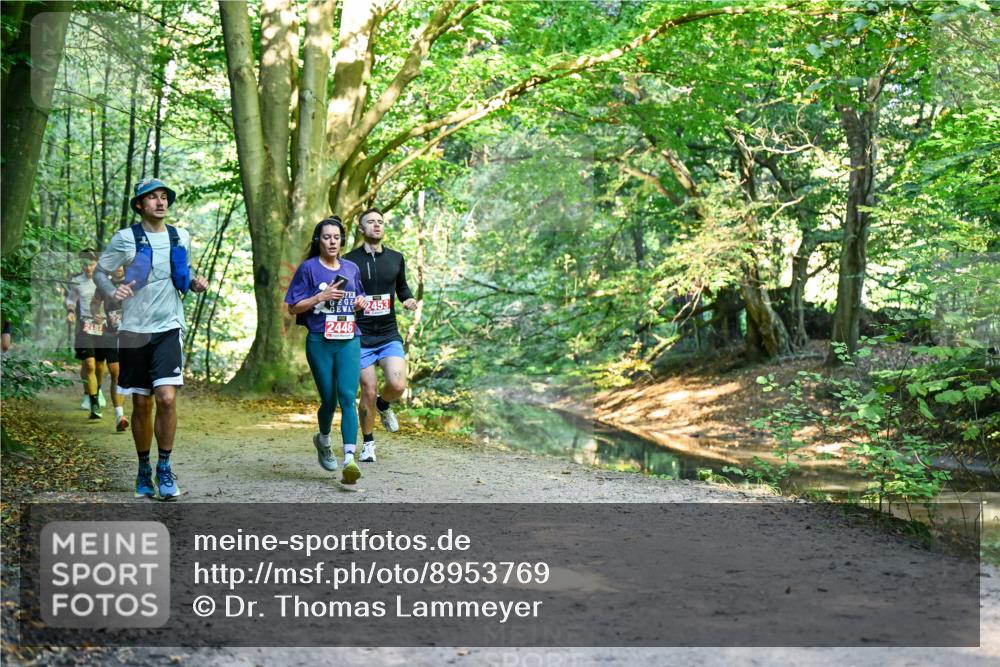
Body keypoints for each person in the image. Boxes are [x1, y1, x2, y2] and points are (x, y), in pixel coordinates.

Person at [93, 178, 208, 500]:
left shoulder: (179, 236)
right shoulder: (125, 239)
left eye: (164, 197)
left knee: (167, 398)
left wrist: (195, 283)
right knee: (142, 402)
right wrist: (111, 291)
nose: (160, 202)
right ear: (140, 205)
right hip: (134, 330)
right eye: (153, 198)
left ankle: (165, 467)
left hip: (169, 326)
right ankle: (144, 468)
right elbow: (100, 272)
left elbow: (182, 272)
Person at [285, 216, 369, 485]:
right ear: (318, 240)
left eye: (336, 237)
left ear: (342, 240)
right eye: (326, 237)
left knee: (348, 397)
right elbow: (293, 307)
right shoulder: (308, 269)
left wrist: (360, 303)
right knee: (329, 401)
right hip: (320, 341)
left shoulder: (352, 268)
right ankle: (323, 440)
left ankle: (349, 460)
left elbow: (360, 297)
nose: (332, 242)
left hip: (348, 339)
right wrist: (320, 297)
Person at [344, 207, 417, 463]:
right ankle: (368, 444)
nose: (377, 225)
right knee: (368, 390)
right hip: (360, 336)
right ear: (361, 228)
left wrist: (408, 299)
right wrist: (353, 302)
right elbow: (342, 296)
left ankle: (383, 405)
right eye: (371, 222)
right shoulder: (348, 260)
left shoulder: (396, 258)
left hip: (388, 334)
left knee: (397, 385)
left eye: (380, 222)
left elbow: (402, 287)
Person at [65, 253, 108, 420]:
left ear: (97, 263)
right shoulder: (76, 281)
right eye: (85, 265)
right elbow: (71, 300)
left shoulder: (105, 280)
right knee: (89, 364)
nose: (88, 268)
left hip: (103, 327)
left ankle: (97, 389)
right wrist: (70, 312)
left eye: (91, 264)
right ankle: (93, 402)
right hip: (85, 326)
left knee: (99, 365)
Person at [92, 267, 129, 432]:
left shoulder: (134, 281)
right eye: (116, 264)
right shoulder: (103, 284)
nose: (118, 268)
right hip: (111, 334)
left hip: (132, 334)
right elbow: (94, 304)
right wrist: (96, 314)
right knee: (116, 372)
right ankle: (120, 416)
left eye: (121, 264)